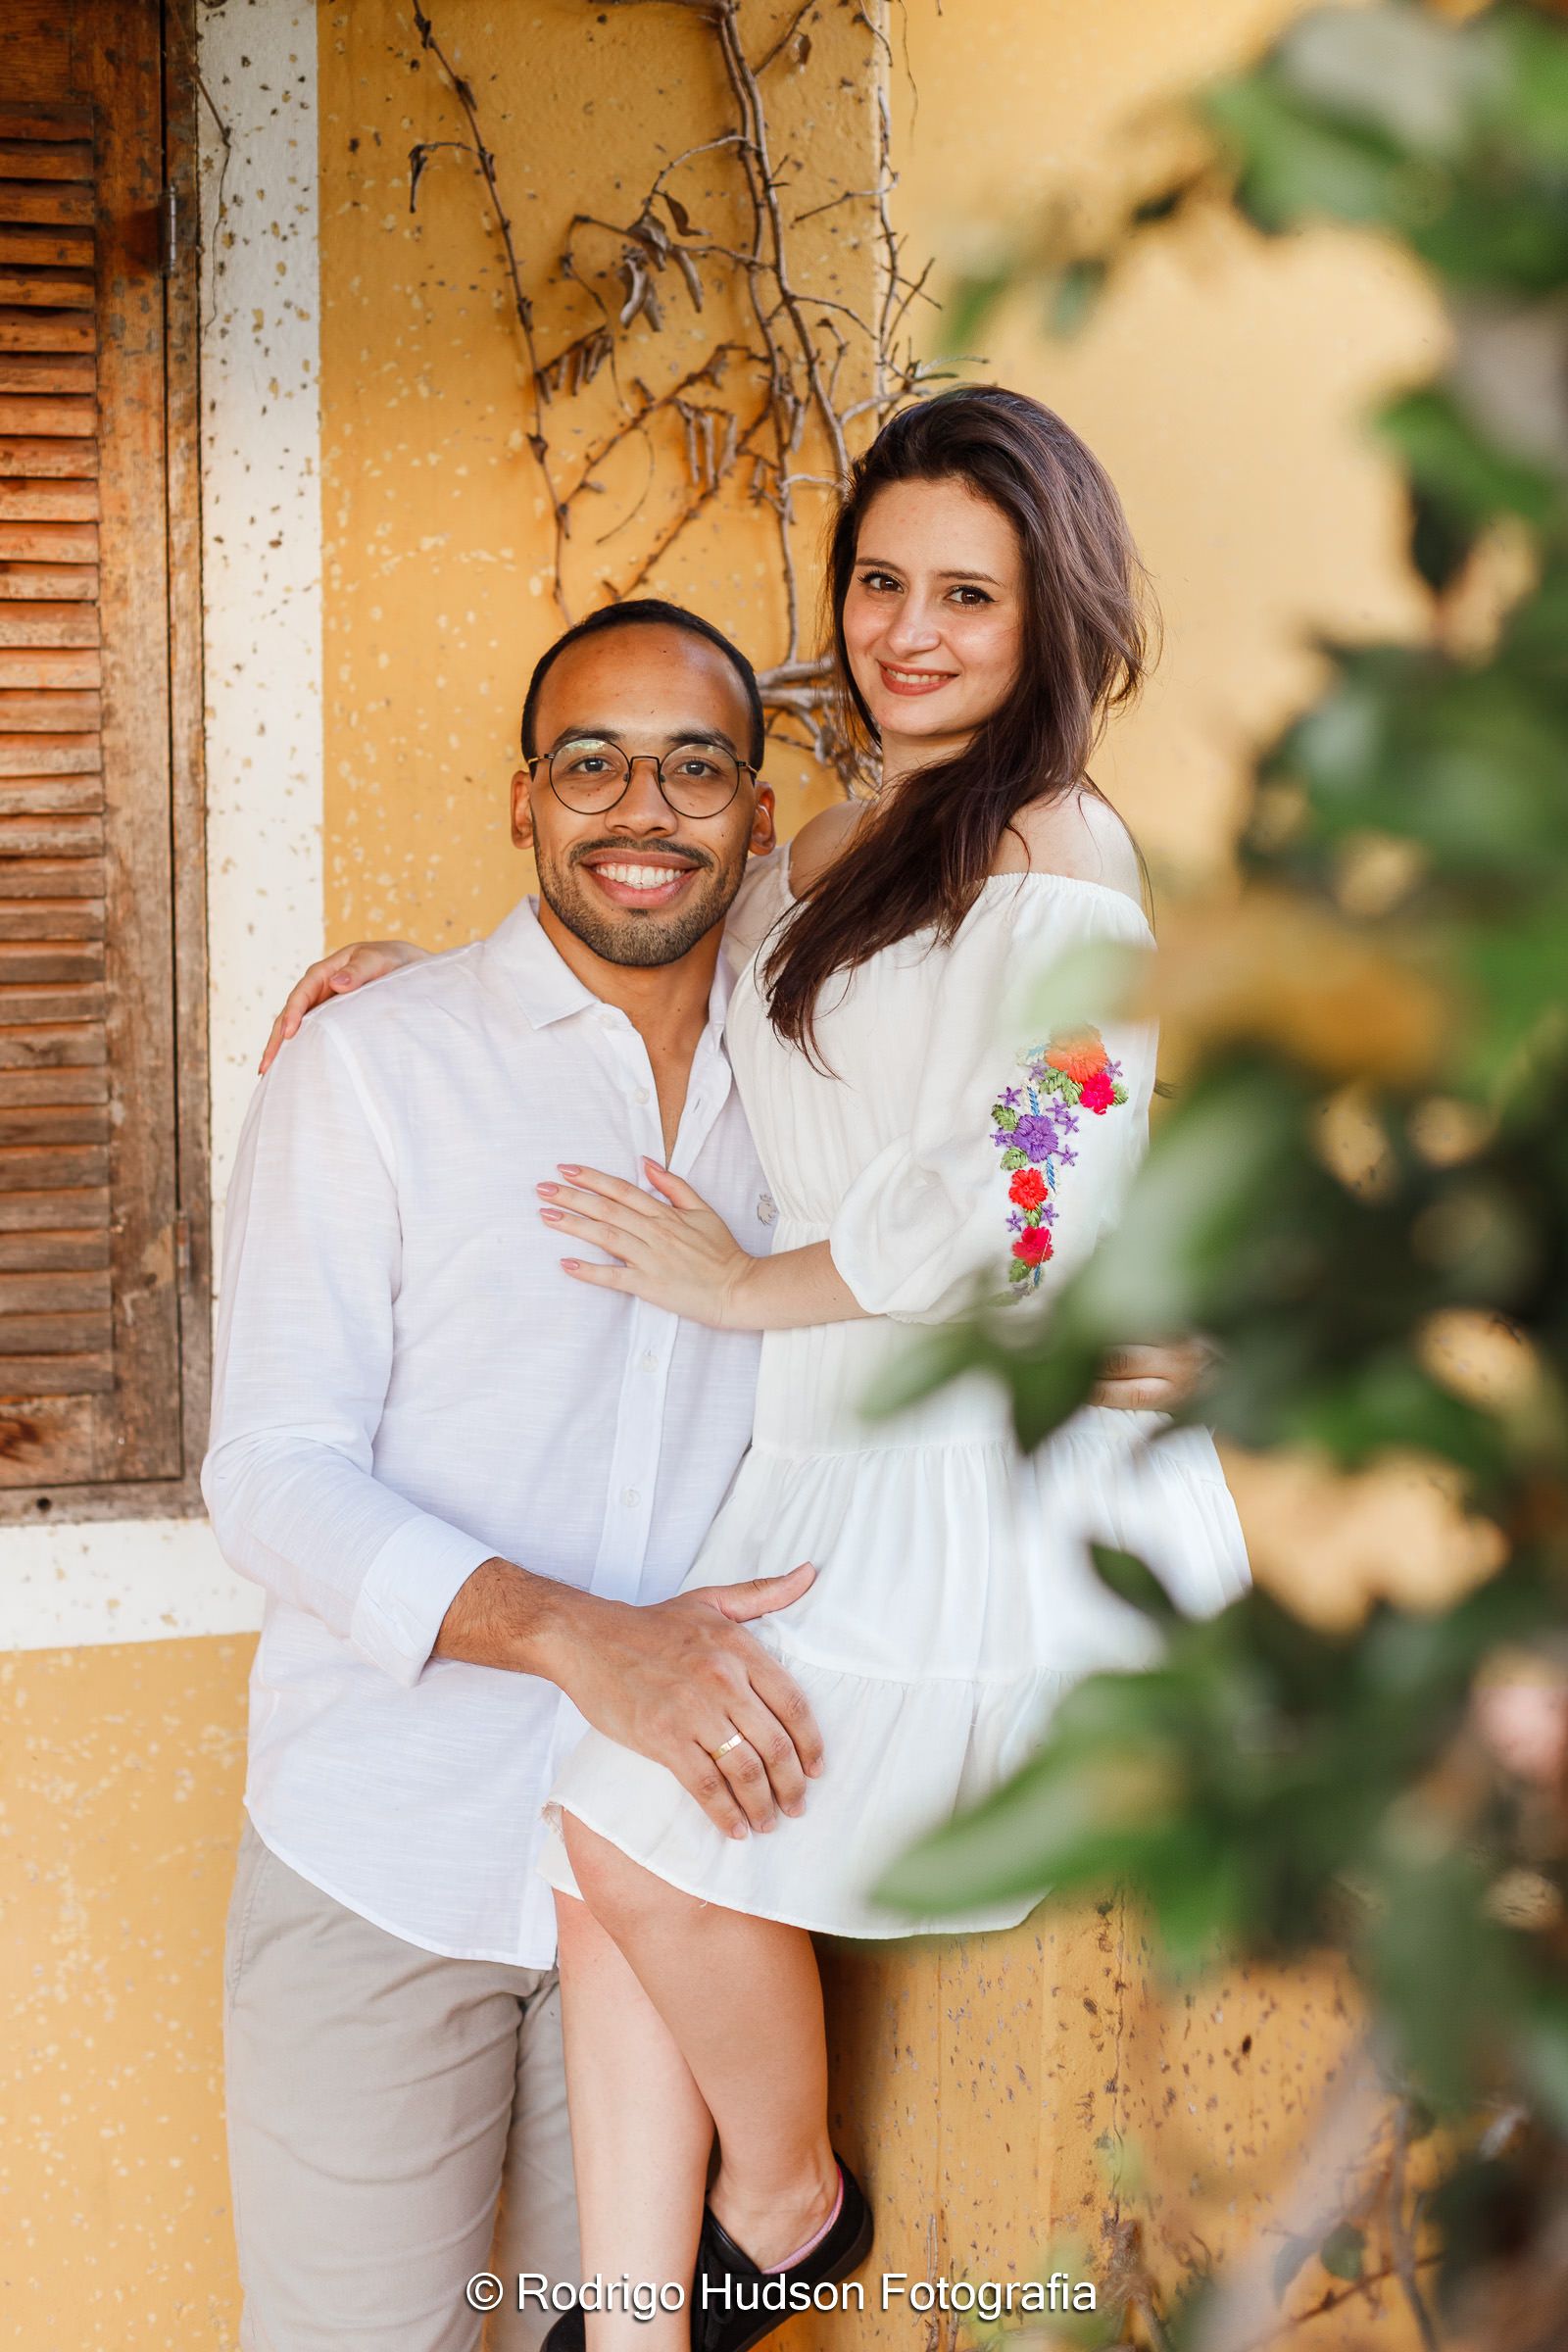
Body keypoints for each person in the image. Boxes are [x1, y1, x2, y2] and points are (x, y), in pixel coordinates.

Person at [212, 580, 1200, 2352]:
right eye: (586, 765)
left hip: (699, 1877)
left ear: (763, 823)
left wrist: (1155, 1337)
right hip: (392, 1858)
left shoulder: (808, 1068)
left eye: (692, 770)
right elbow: (270, 1473)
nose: (639, 809)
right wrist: (585, 1637)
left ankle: (780, 2202)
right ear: (521, 801)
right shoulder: (374, 1068)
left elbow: (1008, 1204)